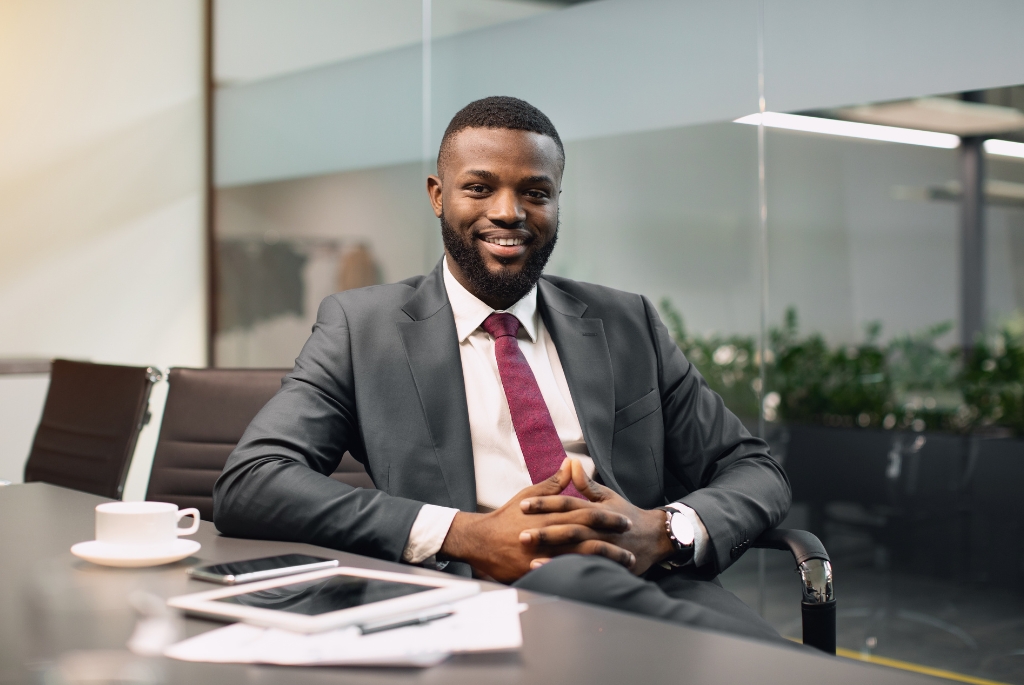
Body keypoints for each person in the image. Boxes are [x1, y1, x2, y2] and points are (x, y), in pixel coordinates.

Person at [213, 96, 791, 643]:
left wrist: (663, 531)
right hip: (468, 602)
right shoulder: (362, 328)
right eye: (480, 188)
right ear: (439, 195)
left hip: (651, 585)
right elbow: (253, 481)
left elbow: (753, 468)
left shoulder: (626, 321)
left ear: (557, 201)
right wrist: (467, 534)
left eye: (535, 192)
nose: (508, 212)